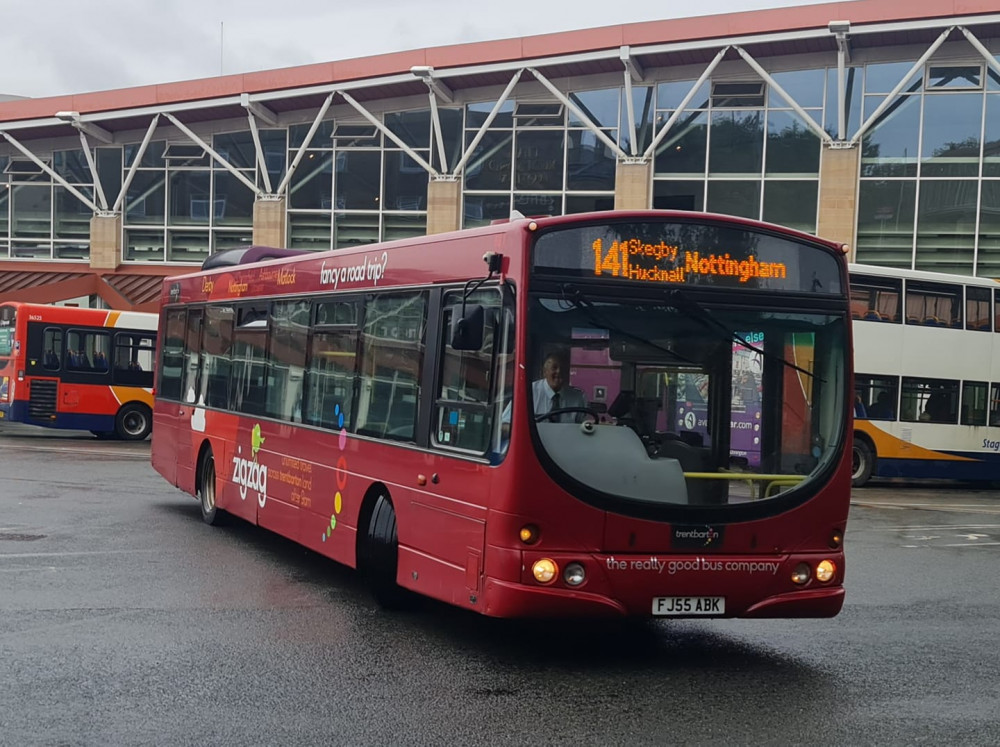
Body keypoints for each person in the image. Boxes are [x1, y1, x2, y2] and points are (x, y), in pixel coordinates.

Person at [531, 351, 587, 423]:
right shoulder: (529, 393)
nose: (559, 371)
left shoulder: (577, 397)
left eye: (563, 368)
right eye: (554, 367)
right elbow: (512, 422)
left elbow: (583, 427)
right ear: (544, 372)